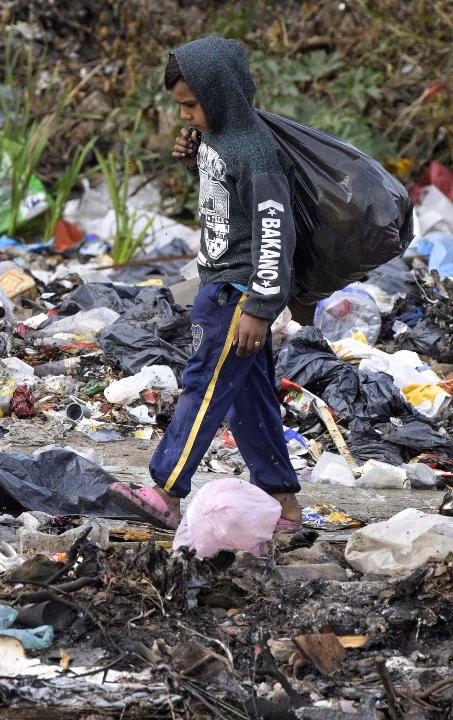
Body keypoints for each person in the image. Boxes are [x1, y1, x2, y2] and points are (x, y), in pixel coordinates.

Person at [109, 36, 302, 532]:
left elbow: (273, 231)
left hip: (237, 294)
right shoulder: (218, 138)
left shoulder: (256, 153)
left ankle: (166, 490)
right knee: (248, 398)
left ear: (218, 95)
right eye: (181, 108)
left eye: (191, 106)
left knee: (204, 387)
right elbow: (228, 201)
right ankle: (282, 504)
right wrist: (195, 159)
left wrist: (261, 306)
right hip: (220, 284)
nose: (185, 117)